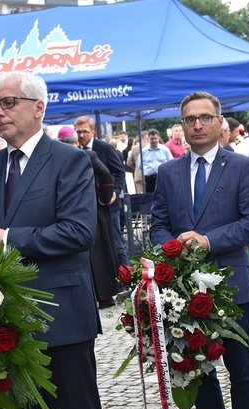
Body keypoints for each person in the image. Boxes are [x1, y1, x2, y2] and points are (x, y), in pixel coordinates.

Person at [0, 71, 115, 409]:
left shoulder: (71, 160)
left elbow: (78, 232)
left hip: (64, 320)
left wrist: (9, 239)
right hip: (8, 324)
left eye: (8, 102)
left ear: (39, 108)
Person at [151, 90, 249, 409]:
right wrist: (173, 246)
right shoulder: (168, 173)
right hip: (184, 291)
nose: (197, 125)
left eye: (204, 117)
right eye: (189, 119)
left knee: (242, 371)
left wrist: (207, 239)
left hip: (232, 288)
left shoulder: (240, 167)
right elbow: (158, 224)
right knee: (197, 371)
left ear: (220, 123)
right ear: (181, 126)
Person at [58, 125, 120, 308]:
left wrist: (105, 198)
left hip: (88, 211)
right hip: (79, 210)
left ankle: (102, 296)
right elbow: (107, 175)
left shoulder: (85, 156)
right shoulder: (68, 157)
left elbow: (108, 175)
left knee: (97, 253)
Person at [74, 115, 128, 266]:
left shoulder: (104, 147)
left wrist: (115, 192)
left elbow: (119, 172)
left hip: (109, 205)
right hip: (88, 208)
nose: (81, 135)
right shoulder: (76, 151)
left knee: (117, 244)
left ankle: (128, 280)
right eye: (78, 132)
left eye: (85, 131)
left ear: (93, 132)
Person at [140, 128, 173, 192]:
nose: (154, 140)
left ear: (158, 138)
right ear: (148, 139)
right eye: (152, 139)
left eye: (155, 138)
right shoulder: (143, 151)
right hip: (149, 180)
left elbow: (171, 163)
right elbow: (139, 165)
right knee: (149, 199)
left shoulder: (165, 150)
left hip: (162, 178)